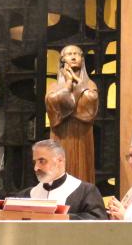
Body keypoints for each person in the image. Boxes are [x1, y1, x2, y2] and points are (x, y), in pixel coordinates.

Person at [45, 44, 98, 183]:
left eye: (77, 54)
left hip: (82, 135)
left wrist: (78, 82)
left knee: (82, 171)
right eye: (69, 54)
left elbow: (91, 102)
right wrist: (68, 83)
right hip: (61, 135)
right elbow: (53, 104)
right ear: (62, 60)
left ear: (82, 59)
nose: (73, 57)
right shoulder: (53, 86)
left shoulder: (90, 84)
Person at [14, 139, 106, 220]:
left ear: (60, 161)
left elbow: (99, 222)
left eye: (42, 161)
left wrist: (62, 218)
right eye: (35, 162)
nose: (36, 167)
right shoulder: (26, 195)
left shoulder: (86, 192)